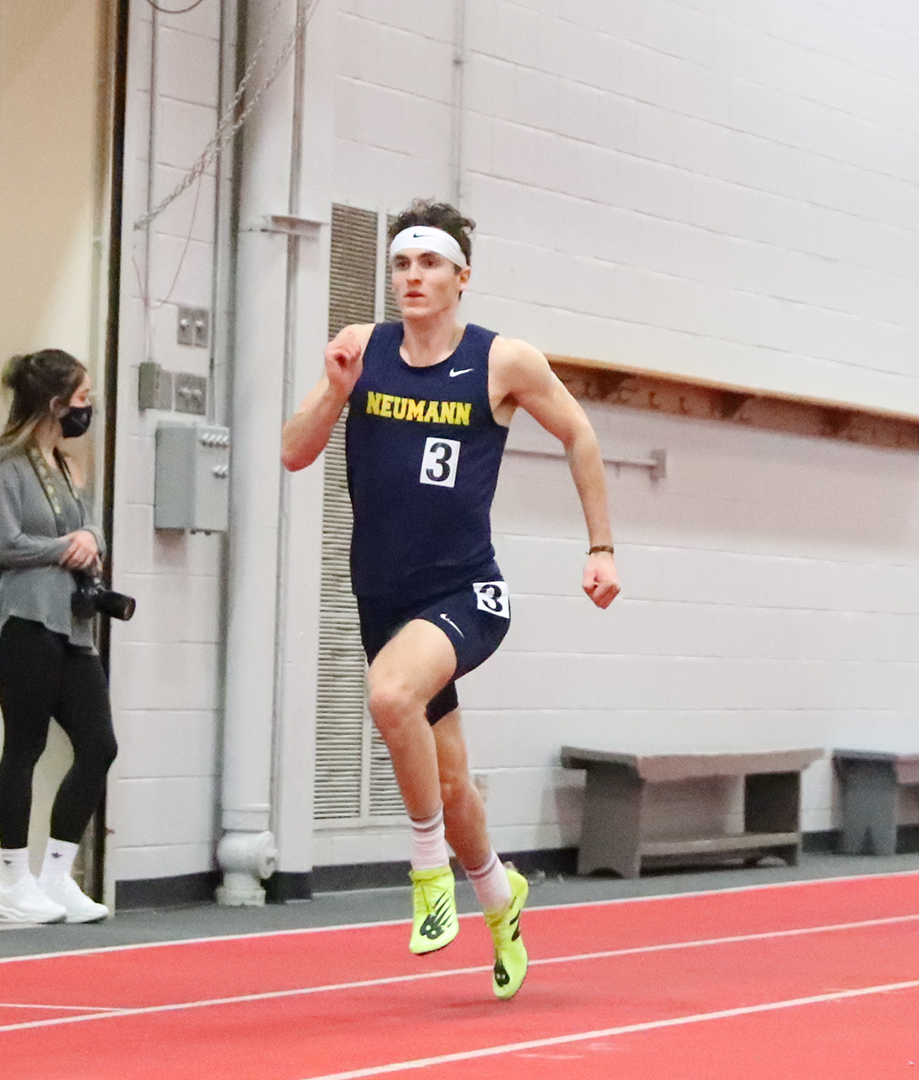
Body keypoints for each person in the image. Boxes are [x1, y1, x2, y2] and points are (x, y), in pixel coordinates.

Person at [281, 200, 621, 1000]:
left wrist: (600, 547)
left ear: (461, 277)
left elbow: (579, 433)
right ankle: (502, 901)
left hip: (467, 592)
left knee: (389, 694)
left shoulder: (502, 361)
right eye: (402, 263)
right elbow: (294, 453)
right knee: (453, 780)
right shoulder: (362, 348)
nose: (413, 277)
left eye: (429, 263)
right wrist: (335, 391)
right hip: (384, 599)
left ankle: (429, 871)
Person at [0, 349, 118, 924]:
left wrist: (90, 538)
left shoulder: (64, 464)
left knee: (98, 745)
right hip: (24, 621)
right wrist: (65, 548)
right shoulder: (1, 464)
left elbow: (88, 524)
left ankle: (57, 874)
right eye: (82, 399)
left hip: (72, 626)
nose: (88, 409)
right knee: (24, 746)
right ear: (56, 405)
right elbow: (2, 542)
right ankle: (13, 882)